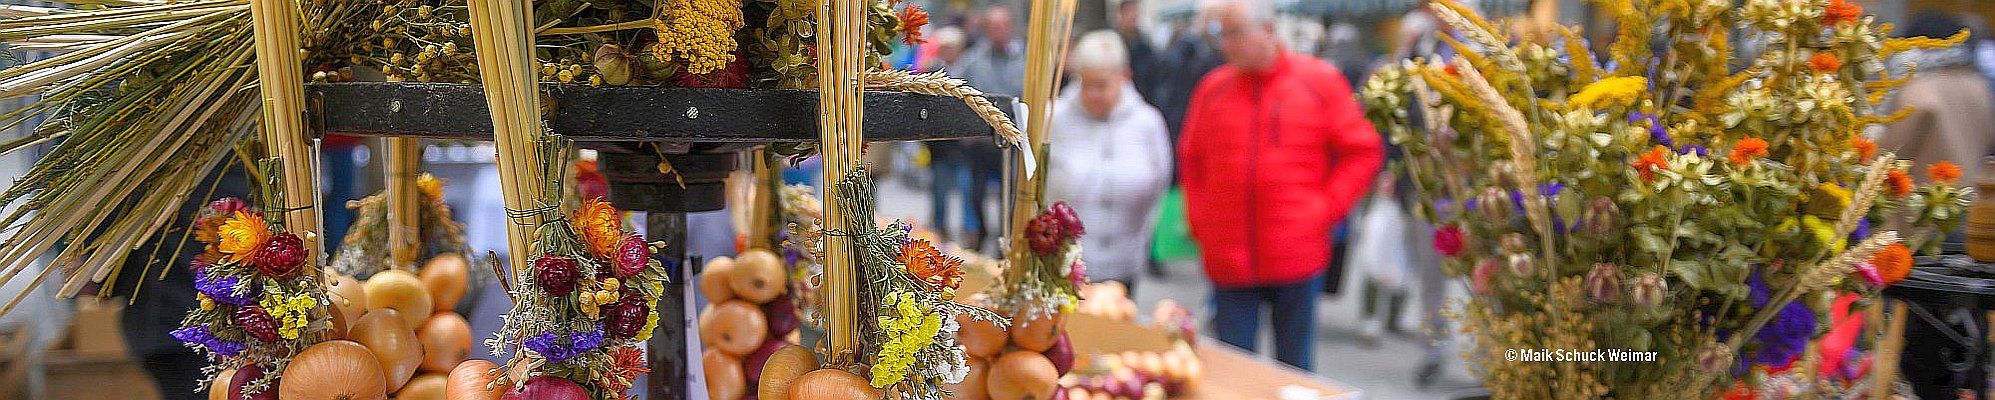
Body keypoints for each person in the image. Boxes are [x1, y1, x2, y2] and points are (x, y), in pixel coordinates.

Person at [1177, 0, 1383, 371]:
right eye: (1222, 35)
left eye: (1235, 34)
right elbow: (1192, 159)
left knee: (1295, 372)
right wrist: (1201, 224)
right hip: (1229, 258)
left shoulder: (1319, 81)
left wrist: (1324, 210)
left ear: (1268, 31)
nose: (1226, 45)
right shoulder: (1214, 88)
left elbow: (1363, 151)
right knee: (1234, 372)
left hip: (1297, 255)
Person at [1045, 31, 1173, 295]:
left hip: (1125, 262)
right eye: (1085, 84)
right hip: (1064, 264)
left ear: (1124, 77)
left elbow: (1161, 178)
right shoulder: (1053, 118)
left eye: (1101, 85)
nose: (1092, 94)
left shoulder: (1147, 122)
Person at [947, 5, 1024, 252]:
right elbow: (957, 90)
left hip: (1011, 144)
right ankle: (980, 235)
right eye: (993, 27)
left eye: (1002, 27)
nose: (998, 32)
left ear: (1010, 28)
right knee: (975, 195)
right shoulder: (973, 61)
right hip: (980, 145)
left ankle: (1005, 242)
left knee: (1009, 195)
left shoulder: (1024, 61)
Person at [1884, 12, 1995, 184]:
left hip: (1921, 201)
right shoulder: (1979, 85)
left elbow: (1889, 155)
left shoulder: (1918, 93)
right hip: (1966, 197)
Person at [1113, 0, 1159, 102]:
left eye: (1135, 12)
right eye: (1128, 12)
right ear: (1120, 15)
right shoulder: (1112, 43)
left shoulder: (1146, 45)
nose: (1132, 16)